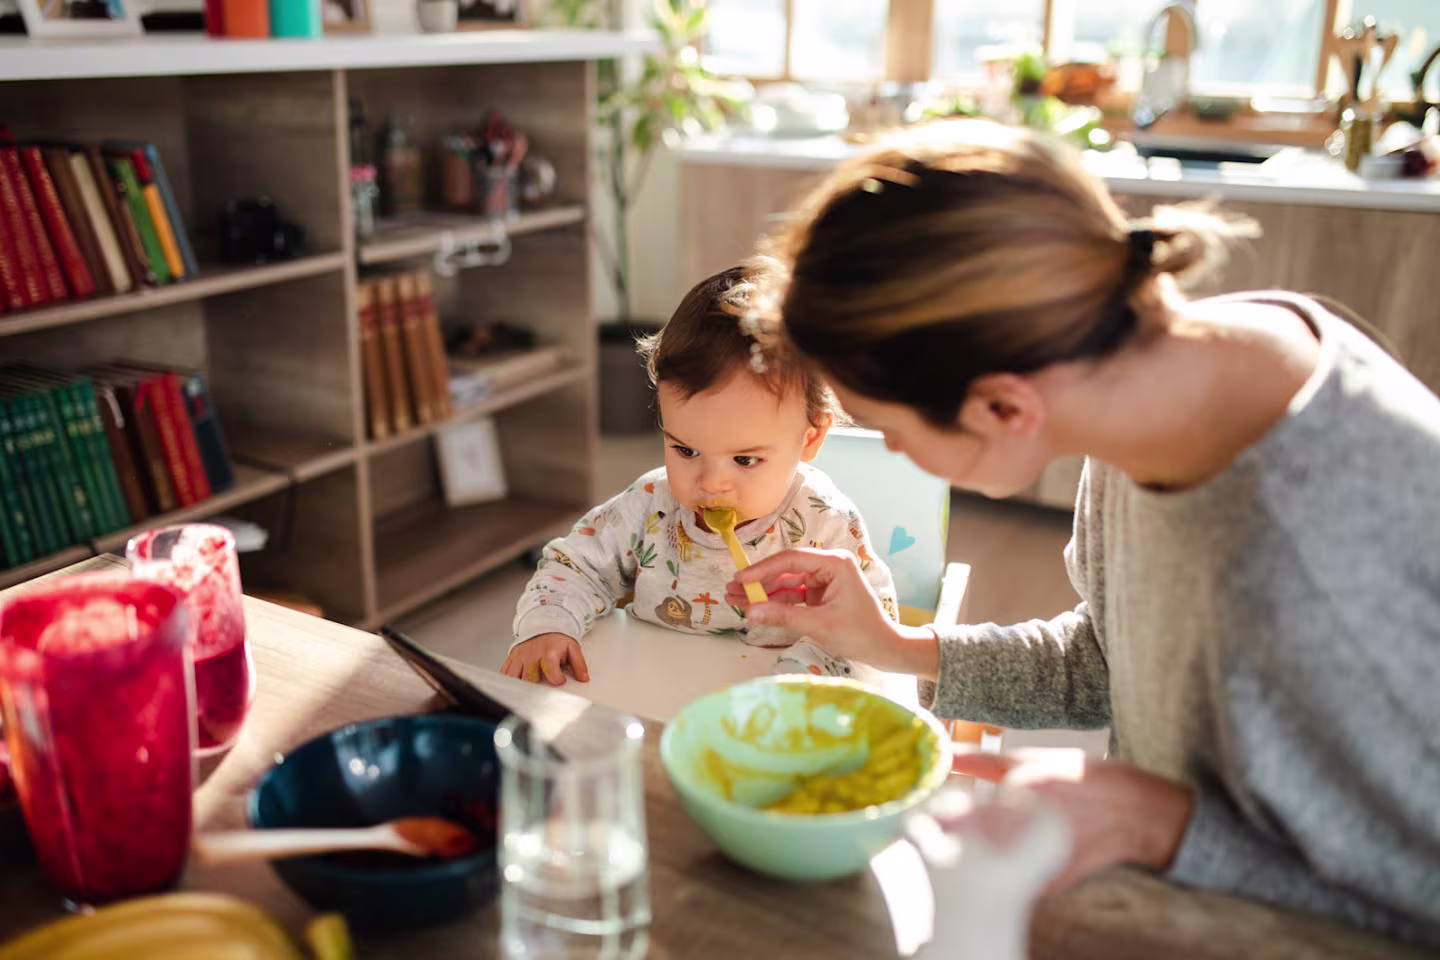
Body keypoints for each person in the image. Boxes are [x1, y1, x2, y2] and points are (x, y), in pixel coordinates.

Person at [725, 119, 1440, 946]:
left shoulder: (1321, 567)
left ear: (1003, 407)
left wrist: (1167, 827)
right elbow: (1112, 657)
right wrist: (898, 645)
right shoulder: (1141, 373)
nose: (889, 452)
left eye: (887, 430)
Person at [502, 266, 898, 686]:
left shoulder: (823, 522)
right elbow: (575, 565)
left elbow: (868, 626)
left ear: (810, 438)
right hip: (652, 690)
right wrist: (549, 625)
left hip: (774, 712)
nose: (710, 483)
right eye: (686, 450)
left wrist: (801, 676)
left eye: (745, 460)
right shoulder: (651, 503)